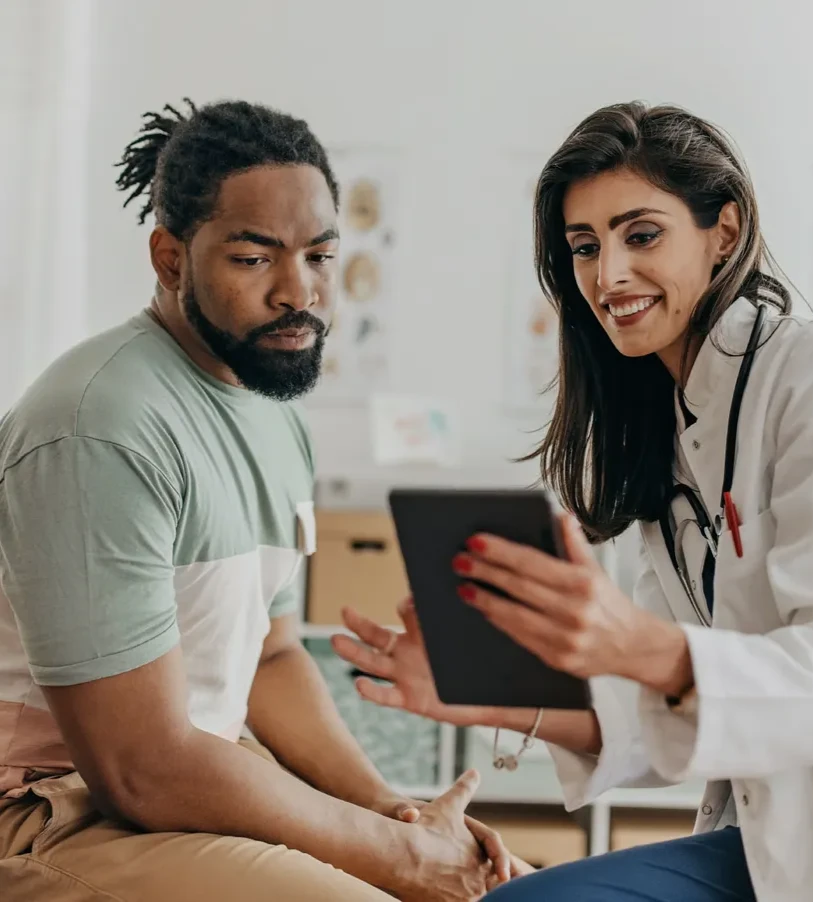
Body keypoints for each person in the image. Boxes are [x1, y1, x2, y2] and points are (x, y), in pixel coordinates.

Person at [334, 101, 813, 901]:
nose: (608, 276)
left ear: (724, 234)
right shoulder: (661, 438)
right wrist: (496, 699)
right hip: (762, 844)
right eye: (583, 248)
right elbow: (666, 719)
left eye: (641, 235)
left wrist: (634, 644)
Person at [0, 98, 528, 902]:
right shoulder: (101, 429)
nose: (299, 290)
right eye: (254, 259)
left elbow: (273, 661)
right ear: (170, 259)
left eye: (319, 256)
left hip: (189, 771)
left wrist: (394, 813)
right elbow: (137, 767)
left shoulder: (272, 416)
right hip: (49, 807)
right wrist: (392, 859)